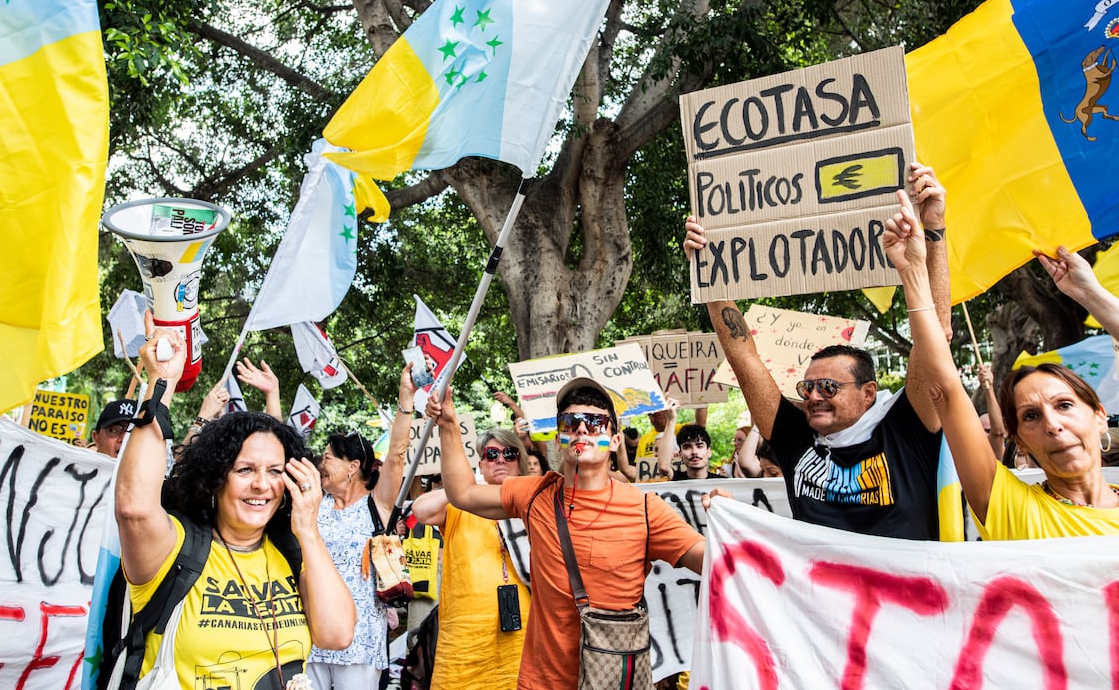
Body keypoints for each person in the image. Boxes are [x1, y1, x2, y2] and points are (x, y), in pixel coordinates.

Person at [683, 162, 950, 540]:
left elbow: (935, 336)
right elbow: (744, 357)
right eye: (807, 388)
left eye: (828, 387)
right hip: (822, 599)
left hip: (908, 597)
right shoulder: (796, 438)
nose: (813, 398)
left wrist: (934, 230)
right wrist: (708, 270)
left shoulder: (907, 427)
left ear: (868, 392)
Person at [115, 315, 354, 689]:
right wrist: (160, 381)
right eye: (244, 470)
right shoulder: (178, 546)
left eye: (275, 471)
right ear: (215, 478)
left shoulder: (292, 550)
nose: (262, 485)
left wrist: (308, 529)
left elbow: (337, 635)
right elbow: (134, 508)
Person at [430, 376, 706, 690]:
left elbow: (714, 561)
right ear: (560, 435)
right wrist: (449, 423)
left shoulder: (644, 508)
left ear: (614, 439)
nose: (582, 429)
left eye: (595, 421)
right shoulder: (535, 494)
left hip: (613, 681)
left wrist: (727, 520)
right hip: (542, 682)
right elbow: (463, 493)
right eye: (570, 421)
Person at [889, 203, 1119, 538]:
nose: (1053, 425)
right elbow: (944, 387)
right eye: (1030, 417)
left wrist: (1091, 294)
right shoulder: (1008, 507)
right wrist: (916, 266)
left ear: (1100, 416)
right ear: (1019, 443)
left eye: (1064, 405)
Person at [306, 367, 415, 690]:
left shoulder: (376, 506)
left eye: (328, 458)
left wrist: (405, 400)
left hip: (359, 640)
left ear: (353, 467)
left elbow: (396, 457)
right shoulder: (316, 502)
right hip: (311, 635)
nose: (321, 465)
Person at [410, 428, 532, 690]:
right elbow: (420, 510)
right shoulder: (460, 504)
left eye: (509, 453)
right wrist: (463, 489)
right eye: (492, 454)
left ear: (519, 461)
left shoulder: (532, 502)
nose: (500, 459)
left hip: (522, 636)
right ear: (481, 464)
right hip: (464, 642)